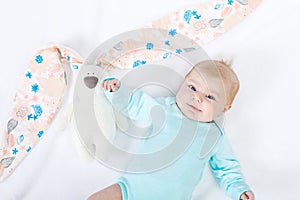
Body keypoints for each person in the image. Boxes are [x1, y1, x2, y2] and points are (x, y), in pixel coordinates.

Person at [88, 60, 255, 200]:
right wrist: (116, 92)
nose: (197, 97)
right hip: (131, 190)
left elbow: (227, 169)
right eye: (192, 88)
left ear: (225, 109)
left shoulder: (214, 136)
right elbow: (134, 104)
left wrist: (239, 190)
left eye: (210, 97)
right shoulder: (163, 109)